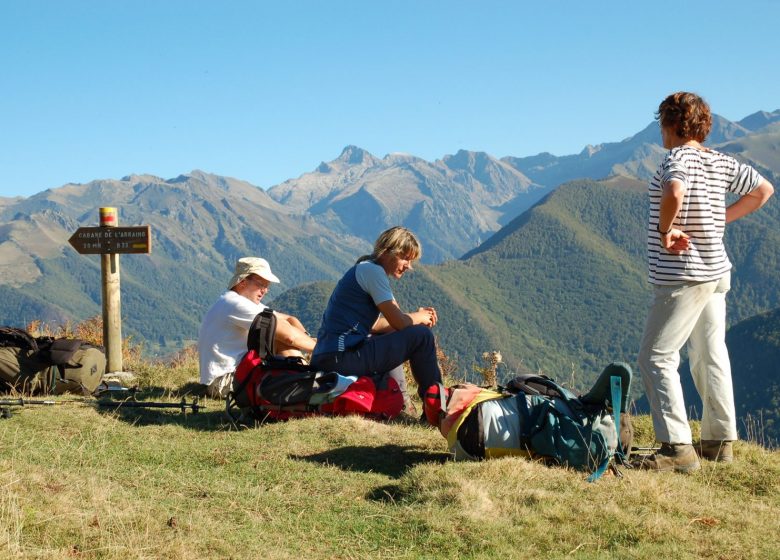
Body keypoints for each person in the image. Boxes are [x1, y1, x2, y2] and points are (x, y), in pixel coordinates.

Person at [636, 92, 774, 472]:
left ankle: (676, 449)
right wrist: (721, 219)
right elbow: (763, 191)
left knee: (656, 357)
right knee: (710, 353)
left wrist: (666, 230)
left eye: (662, 123)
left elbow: (674, 190)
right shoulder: (720, 161)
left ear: (670, 123)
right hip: (716, 272)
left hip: (684, 275)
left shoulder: (676, 159)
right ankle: (718, 441)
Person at [310, 226, 442, 416]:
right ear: (388, 252)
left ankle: (402, 401)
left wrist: (411, 320)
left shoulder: (367, 268)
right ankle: (436, 409)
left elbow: (376, 325)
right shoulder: (373, 272)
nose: (409, 266)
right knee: (422, 336)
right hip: (340, 357)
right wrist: (420, 317)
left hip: (328, 357)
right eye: (405, 258)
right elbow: (399, 321)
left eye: (411, 261)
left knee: (396, 334)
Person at [198, 257, 317, 398]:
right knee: (279, 339)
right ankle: (309, 385)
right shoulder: (235, 304)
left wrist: (307, 338)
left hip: (235, 373)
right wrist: (321, 348)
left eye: (267, 286)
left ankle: (308, 381)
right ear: (242, 282)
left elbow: (290, 319)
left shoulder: (237, 301)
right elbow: (289, 337)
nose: (265, 290)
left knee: (277, 335)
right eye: (261, 285)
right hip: (223, 382)